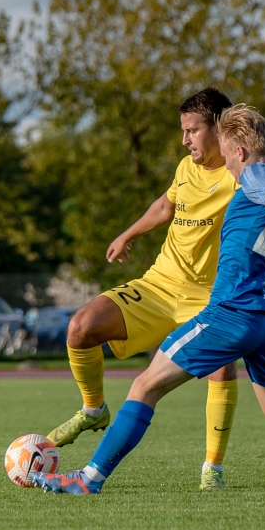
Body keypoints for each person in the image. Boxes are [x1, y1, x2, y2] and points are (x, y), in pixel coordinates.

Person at [30, 104, 265, 495]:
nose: (222, 160)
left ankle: (88, 480)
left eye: (225, 151)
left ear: (239, 151)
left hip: (231, 314)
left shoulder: (256, 174)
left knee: (143, 387)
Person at [46, 88, 240, 490]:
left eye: (192, 130)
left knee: (222, 367)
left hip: (208, 297)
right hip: (158, 286)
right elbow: (166, 206)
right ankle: (94, 409)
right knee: (81, 327)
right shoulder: (186, 167)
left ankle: (212, 470)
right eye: (183, 131)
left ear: (219, 128)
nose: (185, 140)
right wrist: (129, 232)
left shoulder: (241, 174)